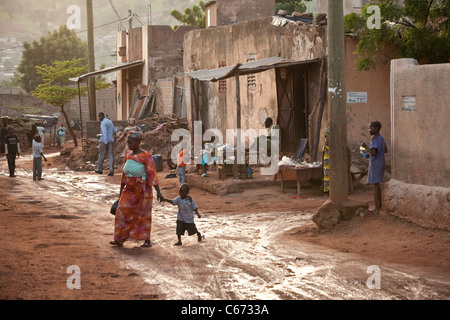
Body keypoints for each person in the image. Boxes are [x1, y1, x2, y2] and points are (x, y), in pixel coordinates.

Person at [110, 131, 164, 248]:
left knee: (143, 214)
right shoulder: (128, 155)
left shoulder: (146, 156)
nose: (130, 145)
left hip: (142, 189)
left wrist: (158, 192)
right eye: (128, 143)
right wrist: (120, 194)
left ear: (138, 142)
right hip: (129, 189)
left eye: (132, 143)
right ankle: (119, 238)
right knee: (121, 211)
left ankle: (146, 239)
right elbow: (123, 176)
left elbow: (152, 174)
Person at [361, 121, 388, 214]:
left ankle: (376, 208)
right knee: (377, 185)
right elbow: (385, 150)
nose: (369, 130)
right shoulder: (382, 138)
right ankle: (379, 205)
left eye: (371, 128)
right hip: (381, 163)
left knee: (375, 186)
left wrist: (366, 148)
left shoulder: (374, 139)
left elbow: (374, 152)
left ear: (376, 128)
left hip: (375, 165)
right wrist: (371, 154)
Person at [322, 128, 330, 193]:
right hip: (327, 161)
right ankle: (327, 190)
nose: (327, 137)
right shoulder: (326, 144)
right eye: (326, 136)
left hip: (330, 162)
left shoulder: (330, 143)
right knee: (327, 175)